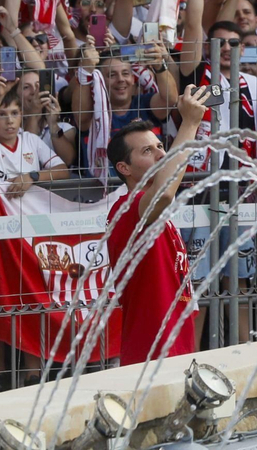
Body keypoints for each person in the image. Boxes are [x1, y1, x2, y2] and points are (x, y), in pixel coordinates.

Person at [106, 85, 213, 366]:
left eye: (160, 146)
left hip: (178, 349)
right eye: (147, 151)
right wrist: (190, 123)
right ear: (124, 168)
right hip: (149, 358)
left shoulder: (157, 212)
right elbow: (165, 192)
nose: (160, 154)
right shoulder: (126, 209)